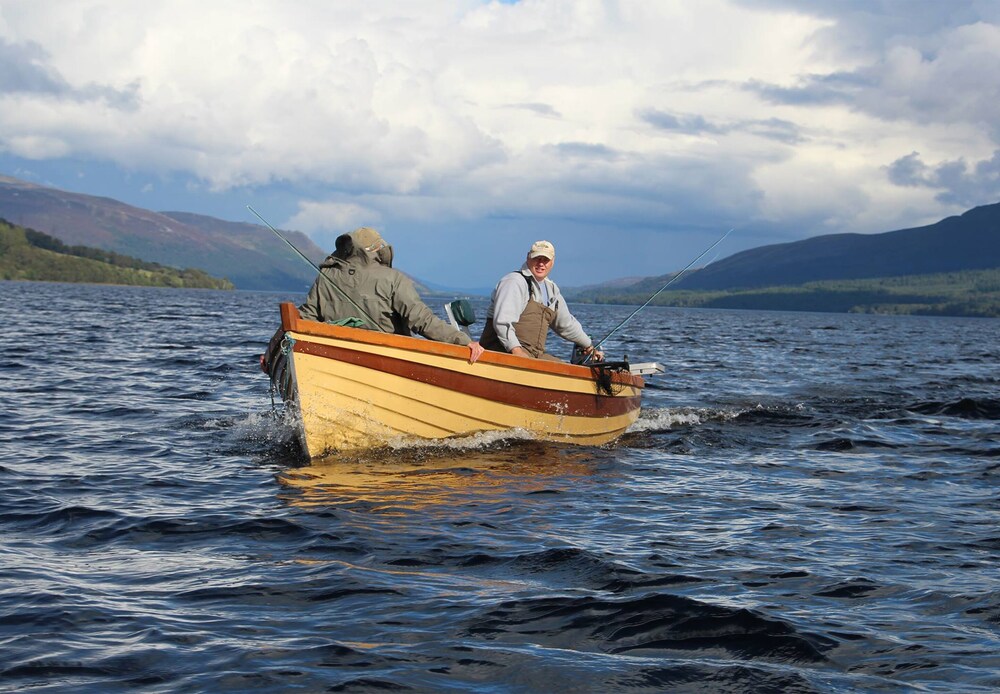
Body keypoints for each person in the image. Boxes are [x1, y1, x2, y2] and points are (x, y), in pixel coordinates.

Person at [299, 227, 484, 364]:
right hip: (387, 361)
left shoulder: (325, 276)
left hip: (334, 358)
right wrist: (462, 341)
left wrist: (276, 352)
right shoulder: (393, 279)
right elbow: (422, 320)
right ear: (377, 251)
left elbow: (304, 319)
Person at [479, 240, 603, 362]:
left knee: (565, 369)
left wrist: (589, 346)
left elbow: (566, 325)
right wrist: (516, 351)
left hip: (534, 355)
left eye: (546, 260)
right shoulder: (514, 282)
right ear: (528, 257)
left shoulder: (552, 290)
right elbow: (503, 322)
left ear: (553, 262)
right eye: (537, 258)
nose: (541, 264)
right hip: (502, 352)